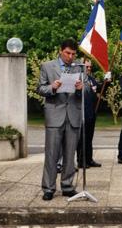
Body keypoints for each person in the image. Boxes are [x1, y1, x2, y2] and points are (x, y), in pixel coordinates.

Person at [37, 38, 83, 201]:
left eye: (73, 54)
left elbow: (88, 94)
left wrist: (80, 89)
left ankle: (67, 186)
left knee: (70, 154)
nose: (70, 57)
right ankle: (48, 188)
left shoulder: (80, 67)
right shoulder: (47, 66)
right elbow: (40, 88)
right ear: (60, 51)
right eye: (67, 53)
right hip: (55, 114)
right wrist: (52, 87)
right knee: (52, 154)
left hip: (73, 116)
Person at [76, 59, 103, 169]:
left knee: (89, 137)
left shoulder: (91, 79)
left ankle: (89, 159)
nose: (89, 69)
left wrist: (107, 81)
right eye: (86, 67)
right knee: (82, 138)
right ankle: (81, 160)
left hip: (91, 112)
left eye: (90, 67)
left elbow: (98, 90)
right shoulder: (78, 79)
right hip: (81, 112)